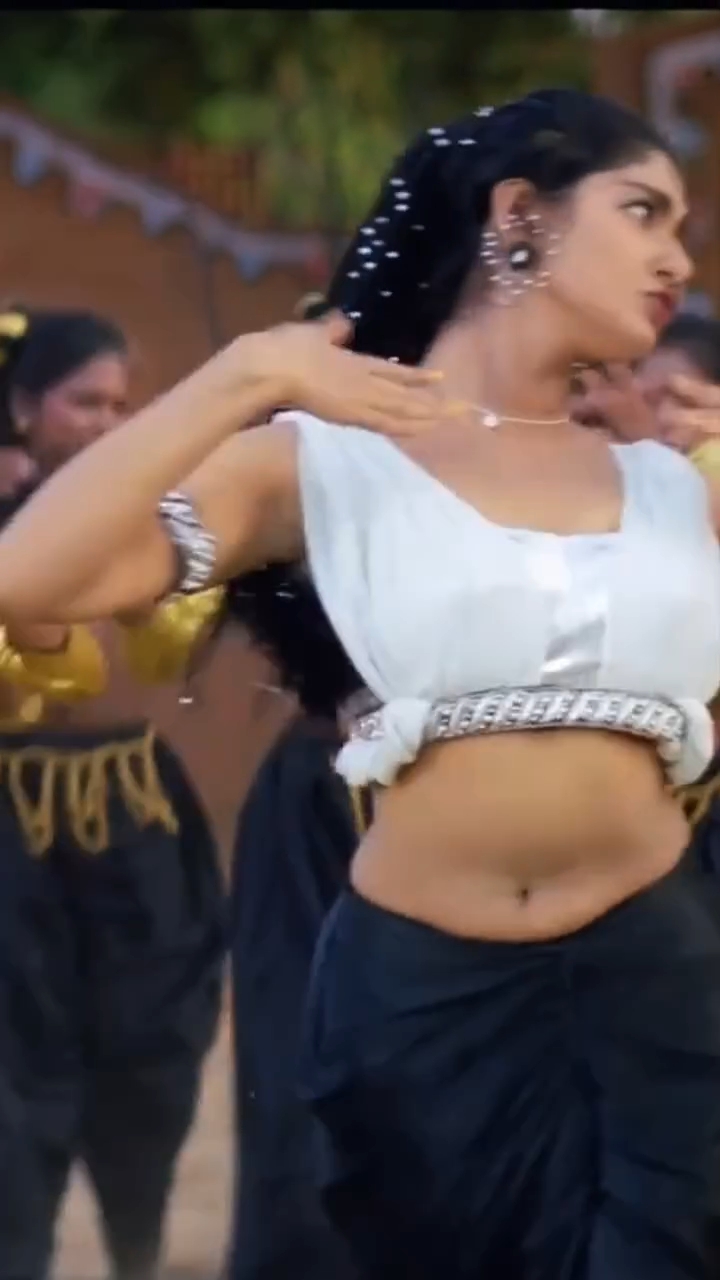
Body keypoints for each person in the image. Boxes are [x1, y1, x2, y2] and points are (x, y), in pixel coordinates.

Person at [1, 88, 720, 1278]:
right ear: (519, 215)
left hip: (660, 978)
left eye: (681, 227)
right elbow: (28, 576)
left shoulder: (675, 481)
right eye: (643, 212)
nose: (677, 260)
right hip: (423, 997)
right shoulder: (318, 467)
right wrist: (239, 378)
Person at [0, 307, 225, 1280]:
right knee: (15, 1070)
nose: (105, 422)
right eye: (83, 401)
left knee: (151, 1054)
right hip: (9, 827)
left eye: (119, 405)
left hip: (135, 815)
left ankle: (139, 1252)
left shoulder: (154, 518)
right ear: (23, 406)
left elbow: (171, 645)